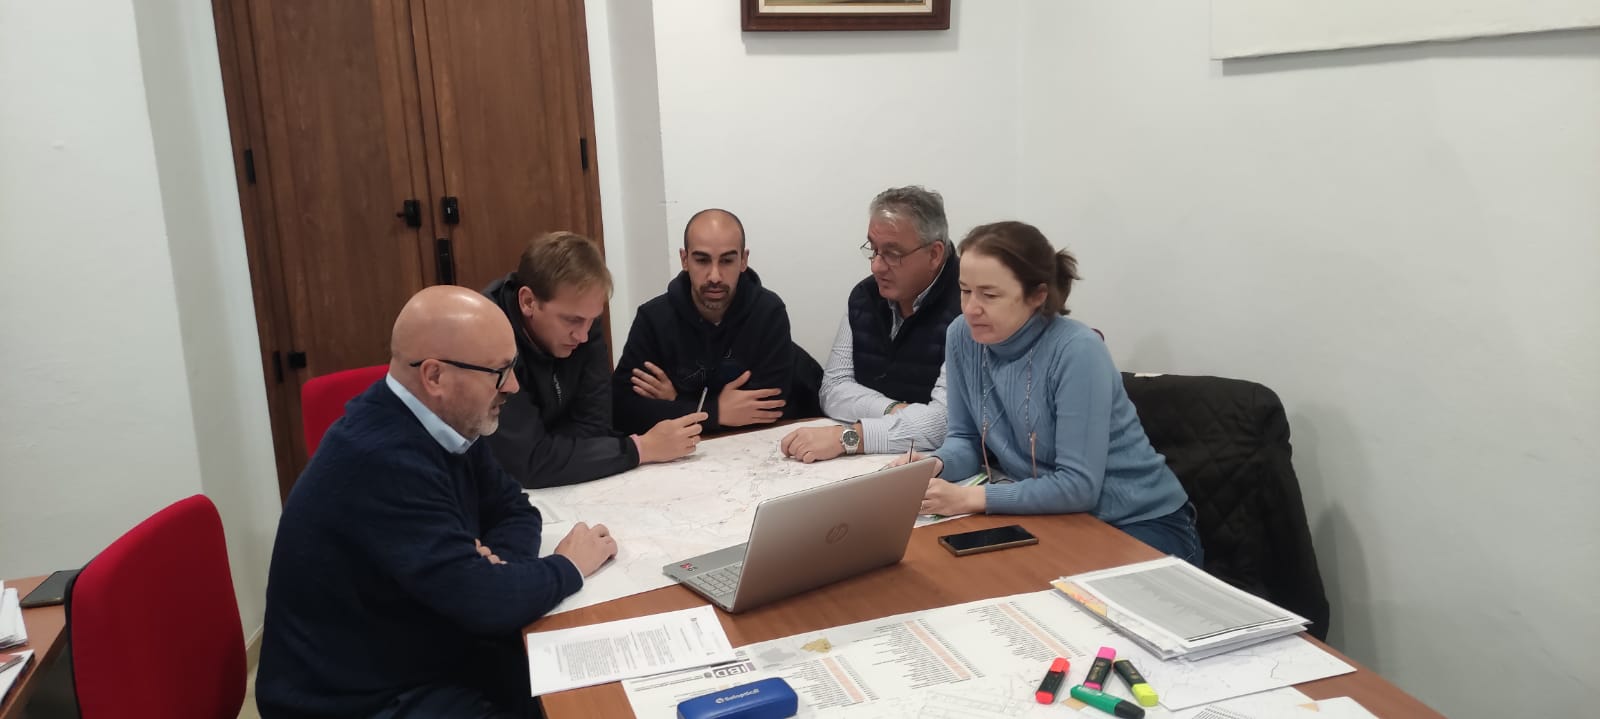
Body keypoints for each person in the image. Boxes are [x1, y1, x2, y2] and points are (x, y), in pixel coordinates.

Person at [257, 286, 620, 719]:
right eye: (499, 372)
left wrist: (493, 570)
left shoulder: (447, 423)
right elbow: (485, 605)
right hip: (353, 697)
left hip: (418, 643)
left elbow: (514, 509)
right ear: (434, 377)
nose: (513, 385)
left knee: (572, 683)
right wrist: (568, 566)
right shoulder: (382, 460)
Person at [895, 221, 1203, 565]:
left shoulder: (1076, 350)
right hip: (1055, 517)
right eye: (965, 291)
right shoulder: (962, 337)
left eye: (989, 295)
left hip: (1138, 521)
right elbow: (966, 439)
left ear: (1037, 296)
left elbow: (1078, 486)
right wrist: (935, 465)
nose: (970, 308)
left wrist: (971, 498)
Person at [484, 232, 706, 488]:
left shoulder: (584, 322)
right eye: (572, 320)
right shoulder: (488, 338)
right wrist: (640, 448)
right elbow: (529, 462)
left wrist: (557, 451)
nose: (583, 336)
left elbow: (595, 428)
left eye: (592, 320)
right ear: (528, 302)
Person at [781, 186, 960, 463]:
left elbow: (943, 422)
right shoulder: (865, 296)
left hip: (943, 469)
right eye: (874, 249)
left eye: (892, 254)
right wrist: (893, 410)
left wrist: (849, 438)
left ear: (935, 254)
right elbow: (833, 388)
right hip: (879, 460)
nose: (876, 266)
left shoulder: (968, 305)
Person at [613, 209, 795, 436]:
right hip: (679, 452)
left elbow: (769, 408)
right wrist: (715, 412)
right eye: (702, 260)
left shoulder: (768, 312)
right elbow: (622, 411)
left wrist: (677, 401)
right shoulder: (653, 319)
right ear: (684, 260)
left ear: (743, 260)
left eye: (727, 260)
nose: (715, 276)